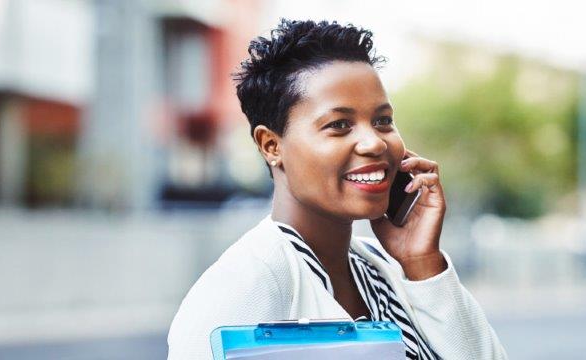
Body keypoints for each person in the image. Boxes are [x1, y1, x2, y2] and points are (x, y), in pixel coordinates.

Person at [167, 19, 508, 359]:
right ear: (271, 145)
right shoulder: (244, 284)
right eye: (339, 125)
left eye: (383, 121)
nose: (374, 142)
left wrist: (422, 263)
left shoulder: (386, 269)